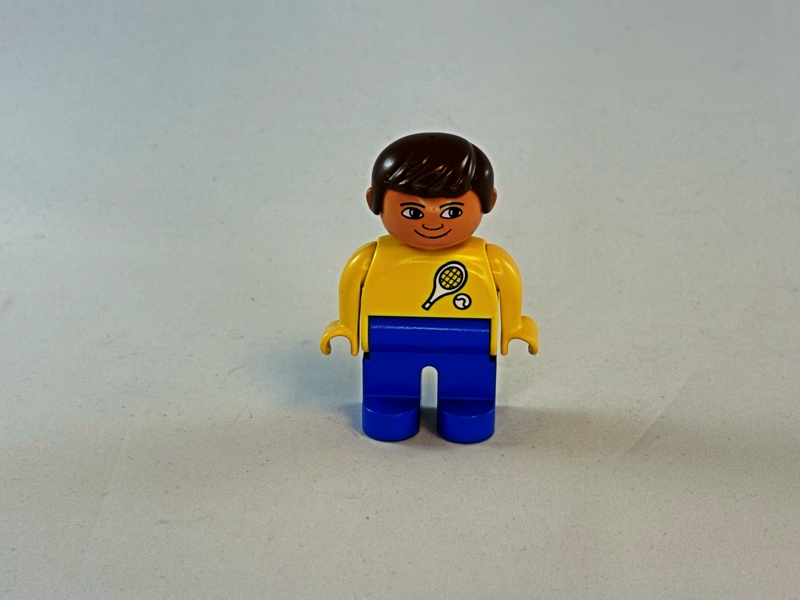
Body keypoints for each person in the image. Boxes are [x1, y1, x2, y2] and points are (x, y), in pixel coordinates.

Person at [320, 132, 538, 443]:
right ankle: (392, 399)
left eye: (452, 211)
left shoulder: (488, 259)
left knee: (468, 390)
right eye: (413, 212)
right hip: (387, 337)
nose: (432, 222)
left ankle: (464, 402)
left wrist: (514, 326)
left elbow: (509, 282)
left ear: (489, 202)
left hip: (471, 339)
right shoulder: (372, 257)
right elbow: (351, 283)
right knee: (389, 386)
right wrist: (346, 325)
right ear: (373, 201)